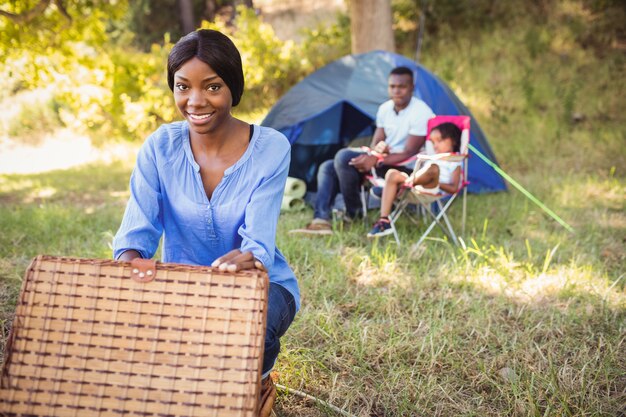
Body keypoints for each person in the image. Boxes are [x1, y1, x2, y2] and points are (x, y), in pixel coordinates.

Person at [112, 29, 298, 416]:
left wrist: (246, 261)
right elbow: (135, 233)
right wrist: (132, 265)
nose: (195, 101)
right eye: (183, 87)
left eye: (212, 87)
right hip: (180, 289)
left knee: (248, 332)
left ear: (233, 87)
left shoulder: (271, 147)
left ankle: (258, 382)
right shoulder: (159, 147)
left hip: (259, 285)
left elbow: (257, 242)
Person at [289, 66, 435, 235]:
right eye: (392, 86)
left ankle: (354, 215)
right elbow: (376, 143)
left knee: (343, 157)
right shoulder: (385, 109)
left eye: (401, 87)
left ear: (412, 87)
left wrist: (377, 160)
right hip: (384, 161)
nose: (396, 91)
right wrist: (377, 150)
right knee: (328, 167)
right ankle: (321, 221)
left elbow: (410, 152)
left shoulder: (420, 112)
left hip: (405, 168)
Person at [367, 122, 463, 238]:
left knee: (433, 169)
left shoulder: (454, 161)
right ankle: (384, 221)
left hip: (432, 187)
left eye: (439, 140)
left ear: (453, 140)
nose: (435, 146)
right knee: (392, 174)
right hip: (415, 186)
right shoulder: (431, 158)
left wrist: (437, 182)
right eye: (432, 142)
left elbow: (454, 188)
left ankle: (406, 183)